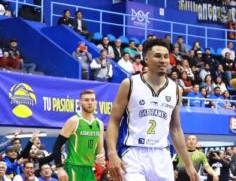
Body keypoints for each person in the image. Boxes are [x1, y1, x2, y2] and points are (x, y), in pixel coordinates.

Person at [106, 38, 198, 181]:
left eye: (166, 56)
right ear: (146, 59)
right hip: (133, 151)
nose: (163, 60)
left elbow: (176, 129)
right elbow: (114, 121)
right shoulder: (129, 84)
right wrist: (112, 153)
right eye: (157, 56)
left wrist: (188, 164)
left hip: (161, 154)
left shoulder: (176, 90)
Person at [42, 89, 104, 181]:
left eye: (92, 100)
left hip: (89, 168)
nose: (90, 102)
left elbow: (100, 148)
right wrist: (60, 168)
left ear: (96, 102)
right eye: (86, 100)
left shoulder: (99, 124)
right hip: (73, 168)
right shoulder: (74, 121)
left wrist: (101, 157)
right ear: (79, 103)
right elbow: (57, 146)